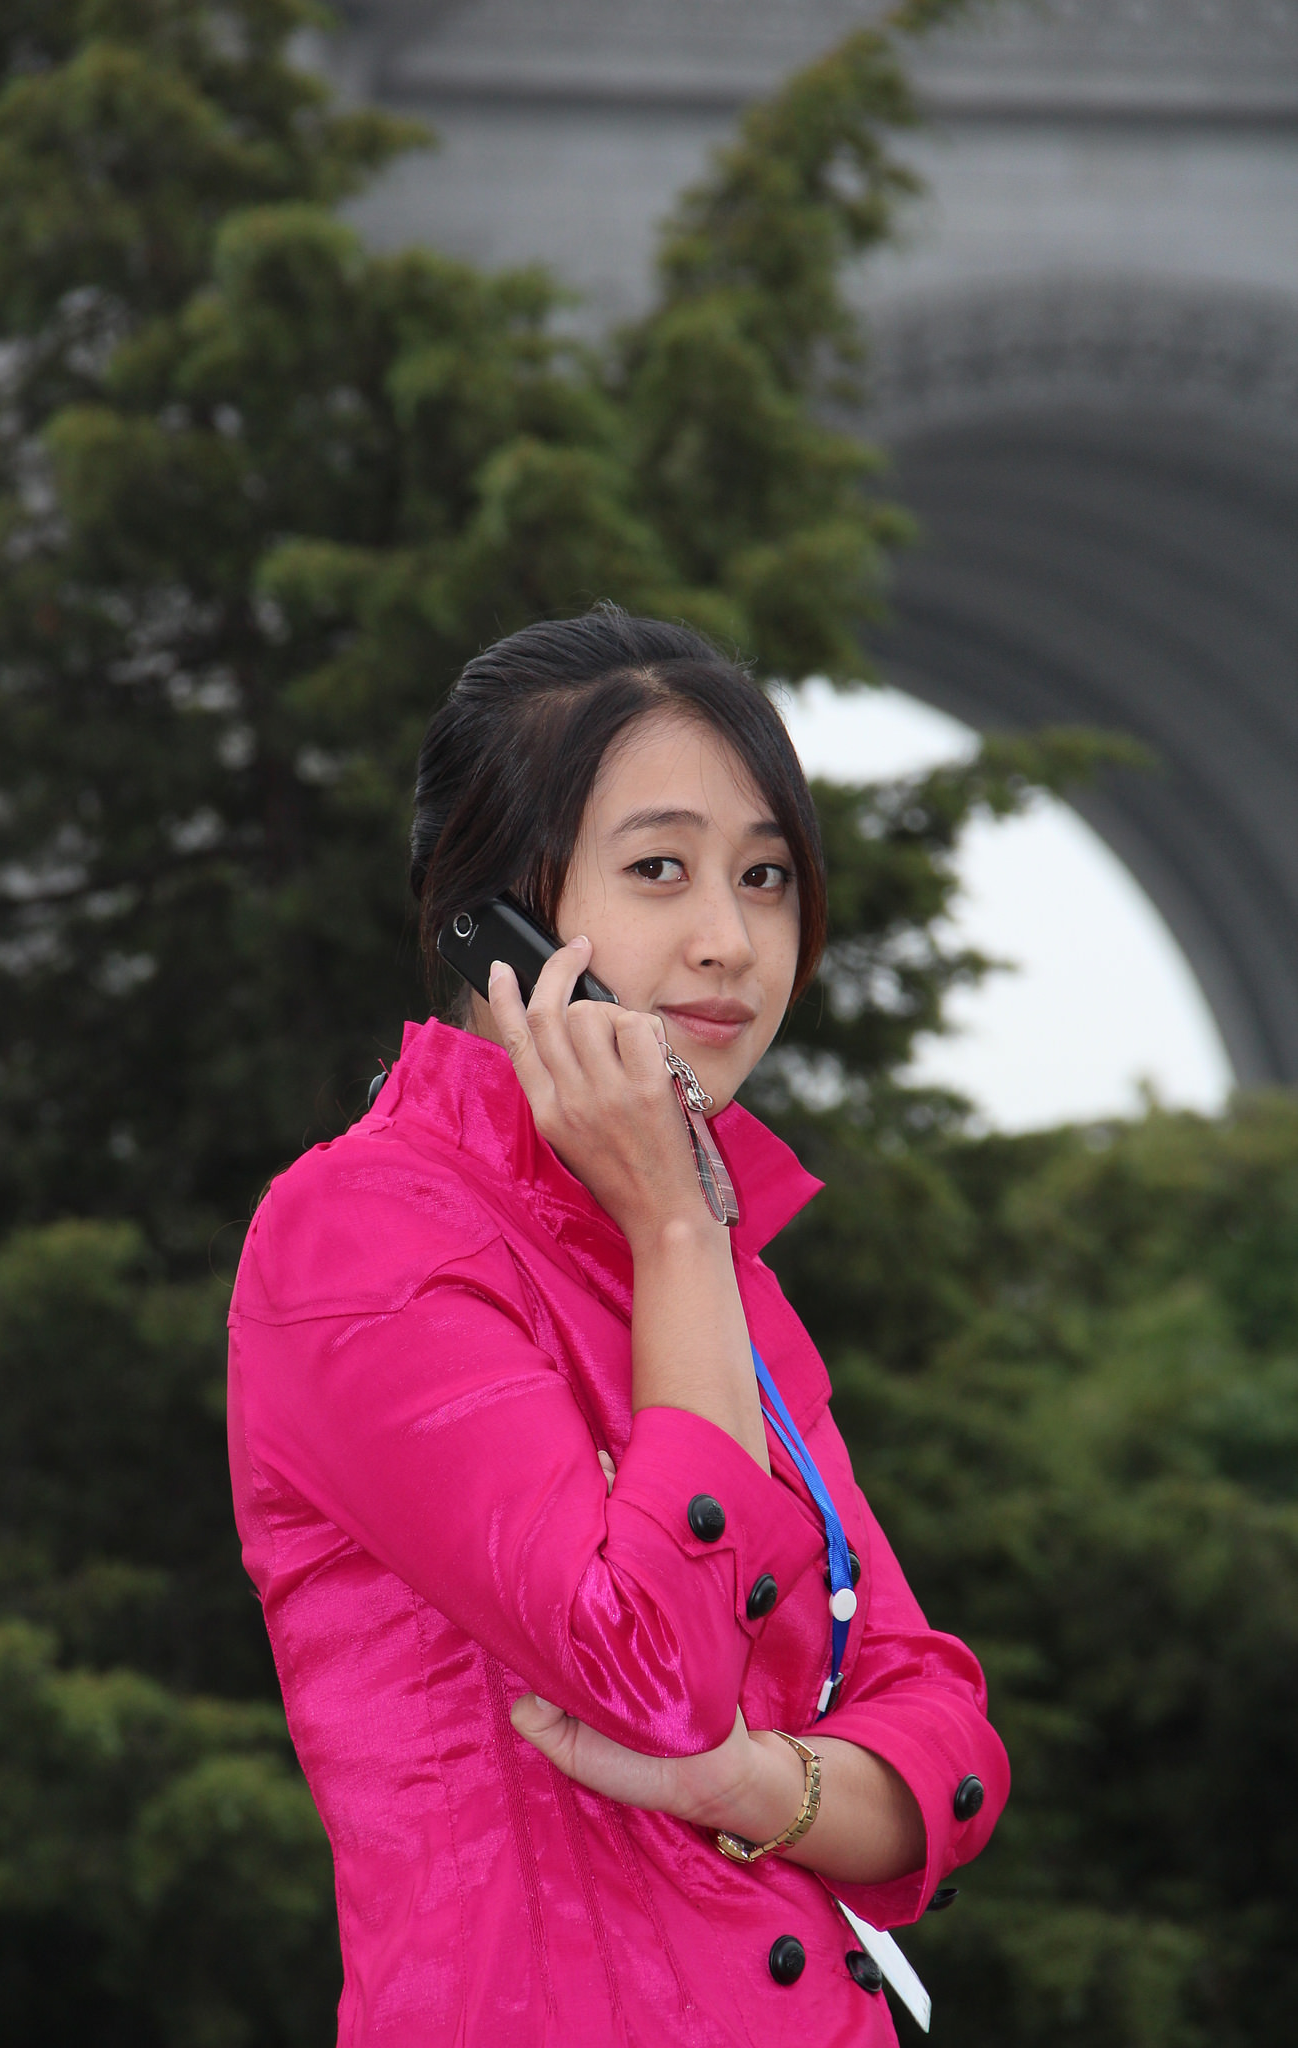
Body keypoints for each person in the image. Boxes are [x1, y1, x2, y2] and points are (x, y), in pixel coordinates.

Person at [227, 606, 1009, 2046]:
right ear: (491, 915)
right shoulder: (363, 1234)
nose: (729, 940)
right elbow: (649, 1670)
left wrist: (755, 1791)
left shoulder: (712, 1261)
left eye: (765, 876)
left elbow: (939, 1727)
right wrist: (668, 1228)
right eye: (659, 870)